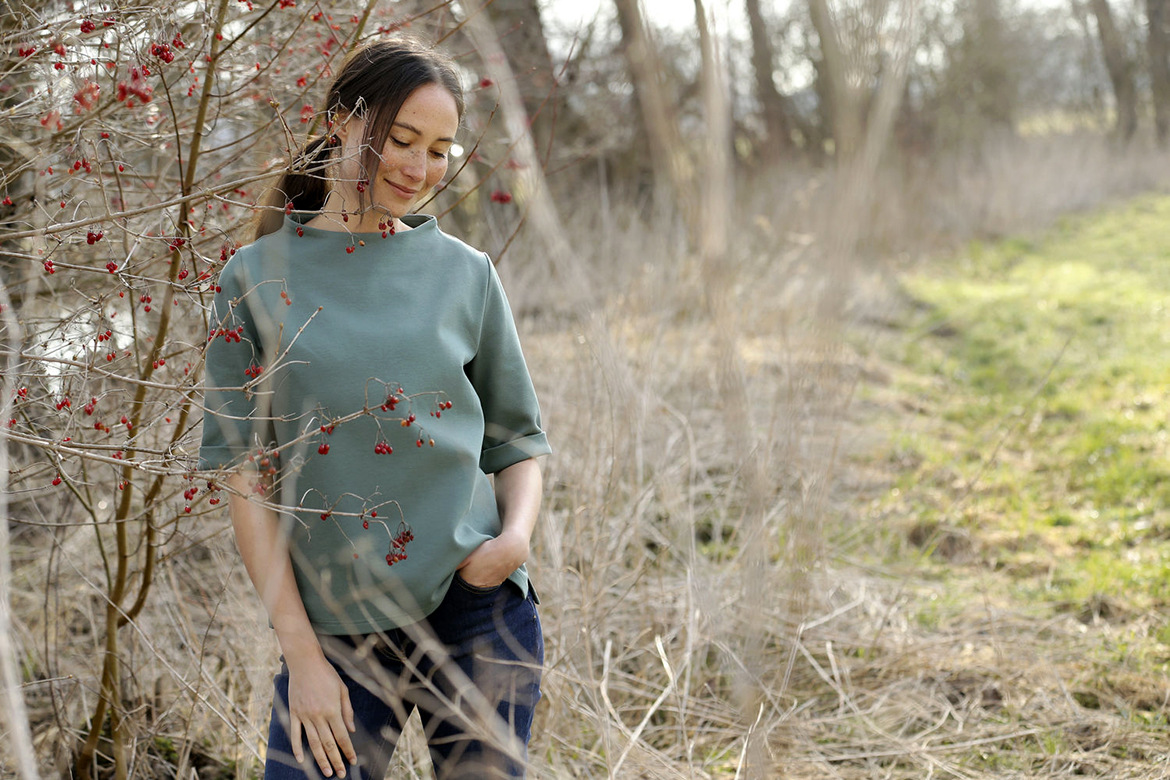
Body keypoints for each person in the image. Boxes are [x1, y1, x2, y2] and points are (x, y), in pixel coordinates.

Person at [198, 37, 551, 780]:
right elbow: (242, 476)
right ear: (339, 120)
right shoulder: (255, 280)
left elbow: (517, 437)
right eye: (400, 140)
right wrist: (303, 656)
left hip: (475, 608)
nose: (417, 169)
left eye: (438, 150)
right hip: (336, 633)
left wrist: (514, 539)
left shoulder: (465, 275)